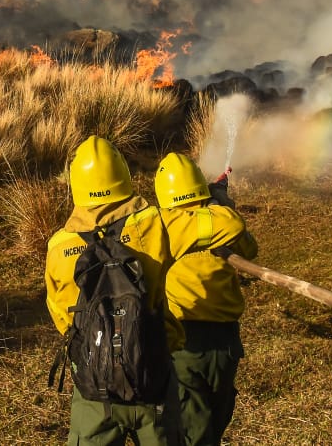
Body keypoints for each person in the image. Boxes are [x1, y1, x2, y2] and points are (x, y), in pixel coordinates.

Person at [46, 136, 184, 446]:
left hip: (94, 386)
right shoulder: (154, 224)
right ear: (122, 173)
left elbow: (61, 316)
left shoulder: (58, 247)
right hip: (152, 376)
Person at [154, 152, 258, 446]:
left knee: (206, 418)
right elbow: (246, 242)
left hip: (193, 340)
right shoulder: (220, 221)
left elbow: (248, 249)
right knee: (200, 424)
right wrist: (218, 205)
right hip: (207, 340)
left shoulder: (160, 223)